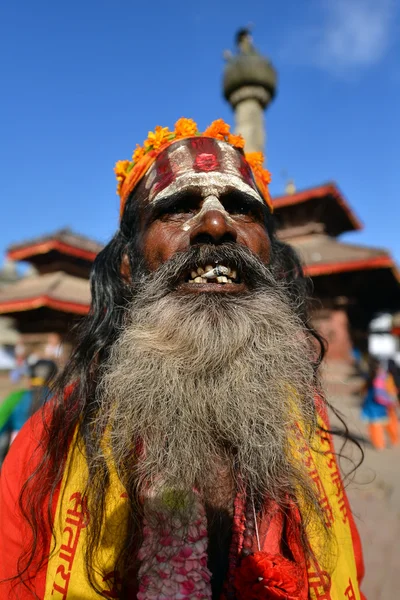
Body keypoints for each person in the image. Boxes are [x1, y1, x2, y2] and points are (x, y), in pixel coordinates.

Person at [0, 118, 365, 599]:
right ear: (129, 270)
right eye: (177, 208)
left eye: (240, 208)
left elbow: (346, 571)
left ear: (271, 265)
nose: (216, 224)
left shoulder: (303, 421)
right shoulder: (51, 439)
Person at [0, 359, 58, 463]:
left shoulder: (16, 398)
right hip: (48, 463)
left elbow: (1, 425)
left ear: (30, 378)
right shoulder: (59, 401)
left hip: (14, 460)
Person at [361, 357, 399, 449]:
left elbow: (365, 391)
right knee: (386, 423)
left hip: (377, 405)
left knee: (376, 425)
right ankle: (389, 441)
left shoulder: (374, 378)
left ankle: (380, 443)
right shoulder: (384, 377)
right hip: (382, 405)